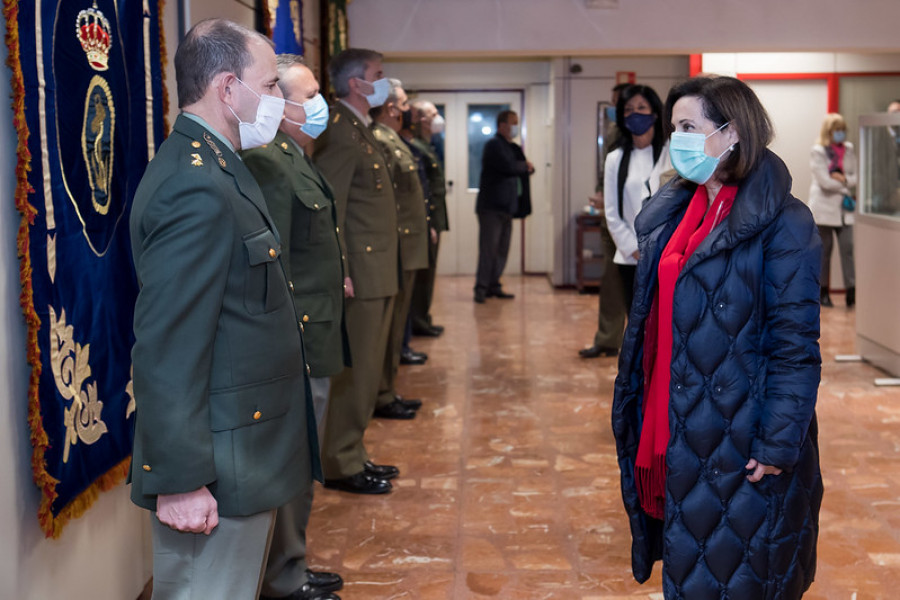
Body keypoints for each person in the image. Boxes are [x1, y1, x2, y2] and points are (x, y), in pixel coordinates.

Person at [128, 19, 320, 598]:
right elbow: (168, 345)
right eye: (269, 87)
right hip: (216, 463)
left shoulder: (218, 165)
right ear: (228, 87)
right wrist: (182, 480)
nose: (277, 102)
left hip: (245, 450)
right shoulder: (195, 185)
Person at [611, 76, 823, 599]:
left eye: (689, 127)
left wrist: (778, 441)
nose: (677, 138)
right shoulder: (676, 211)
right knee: (693, 564)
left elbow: (795, 346)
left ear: (733, 132)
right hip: (676, 418)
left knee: (738, 572)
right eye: (673, 127)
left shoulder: (785, 222)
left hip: (739, 431)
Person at [242, 54, 347, 600]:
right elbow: (273, 262)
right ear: (277, 103)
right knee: (291, 463)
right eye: (307, 96)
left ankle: (293, 562)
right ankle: (285, 575)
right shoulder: (268, 162)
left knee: (301, 462)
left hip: (319, 324)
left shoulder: (295, 156)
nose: (316, 105)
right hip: (299, 334)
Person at [313, 48, 402, 494]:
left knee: (368, 372)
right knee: (358, 370)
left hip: (379, 269)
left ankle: (355, 450)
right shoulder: (340, 133)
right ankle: (340, 460)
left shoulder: (359, 129)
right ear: (356, 84)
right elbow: (334, 208)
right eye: (378, 76)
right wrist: (342, 269)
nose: (384, 82)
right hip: (361, 274)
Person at [581, 83, 668, 359]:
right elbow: (611, 211)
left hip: (668, 252)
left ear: (655, 113)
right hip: (631, 257)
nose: (635, 114)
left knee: (666, 324)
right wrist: (634, 248)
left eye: (641, 108)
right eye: (629, 109)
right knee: (638, 324)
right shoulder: (614, 159)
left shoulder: (671, 154)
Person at [370, 79, 429, 420]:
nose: (408, 111)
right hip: (396, 247)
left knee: (395, 326)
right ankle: (382, 393)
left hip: (405, 246)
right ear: (392, 107)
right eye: (405, 104)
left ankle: (386, 390)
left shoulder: (390, 139)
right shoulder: (379, 140)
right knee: (388, 329)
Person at [473, 110, 534, 303]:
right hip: (491, 207)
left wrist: (525, 166)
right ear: (501, 125)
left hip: (508, 207)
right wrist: (524, 166)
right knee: (489, 250)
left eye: (517, 122)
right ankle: (481, 289)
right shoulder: (494, 145)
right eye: (512, 122)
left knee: (502, 250)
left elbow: (524, 166)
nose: (515, 126)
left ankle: (494, 285)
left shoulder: (511, 147)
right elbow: (509, 166)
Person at [808, 113, 857, 308]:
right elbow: (825, 182)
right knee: (824, 252)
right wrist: (844, 181)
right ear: (828, 131)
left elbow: (855, 176)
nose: (841, 134)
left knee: (848, 250)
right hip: (824, 208)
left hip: (844, 209)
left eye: (843, 130)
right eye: (837, 130)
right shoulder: (818, 151)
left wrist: (842, 179)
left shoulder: (849, 149)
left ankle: (851, 291)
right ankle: (823, 292)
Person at [408, 100, 448, 337]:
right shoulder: (416, 147)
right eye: (433, 114)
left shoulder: (430, 145)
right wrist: (429, 222)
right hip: (427, 219)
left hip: (435, 217)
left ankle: (424, 317)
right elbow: (422, 190)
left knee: (429, 273)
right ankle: (419, 321)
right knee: (423, 275)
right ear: (421, 119)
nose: (438, 118)